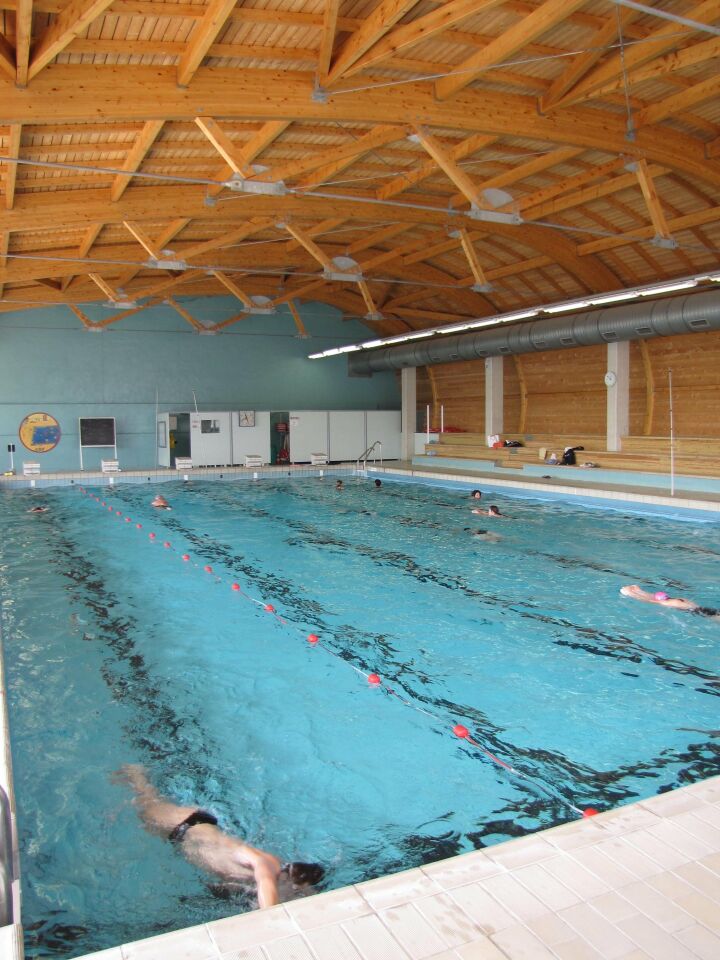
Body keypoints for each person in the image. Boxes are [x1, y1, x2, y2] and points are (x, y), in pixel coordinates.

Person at [116, 765, 324, 908]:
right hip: (184, 824)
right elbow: (268, 900)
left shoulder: (258, 879)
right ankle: (135, 772)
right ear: (293, 880)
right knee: (145, 801)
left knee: (143, 813)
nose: (297, 896)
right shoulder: (267, 864)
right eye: (299, 893)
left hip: (185, 836)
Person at [620, 585, 720, 619]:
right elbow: (650, 601)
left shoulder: (676, 601)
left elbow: (652, 600)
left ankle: (636, 591)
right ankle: (634, 591)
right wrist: (631, 593)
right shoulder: (672, 602)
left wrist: (637, 592)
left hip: (699, 609)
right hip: (701, 610)